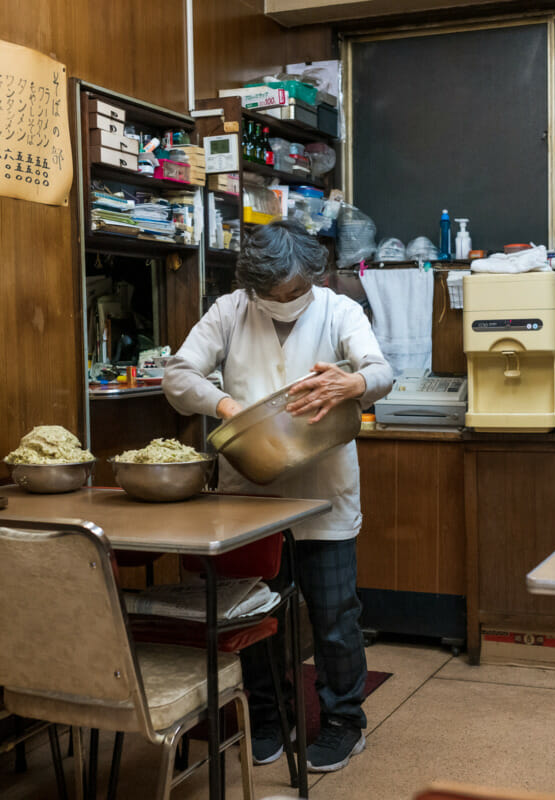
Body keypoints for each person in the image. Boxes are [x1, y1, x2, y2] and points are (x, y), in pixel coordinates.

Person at [163, 219, 393, 773]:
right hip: (251, 499)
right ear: (253, 287)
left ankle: (344, 722)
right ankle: (268, 716)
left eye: (298, 290)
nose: (288, 300)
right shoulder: (230, 311)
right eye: (276, 293)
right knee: (254, 615)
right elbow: (178, 376)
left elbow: (382, 371)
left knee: (335, 617)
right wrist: (225, 407)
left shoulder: (339, 310)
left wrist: (354, 385)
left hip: (324, 495)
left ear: (314, 276)